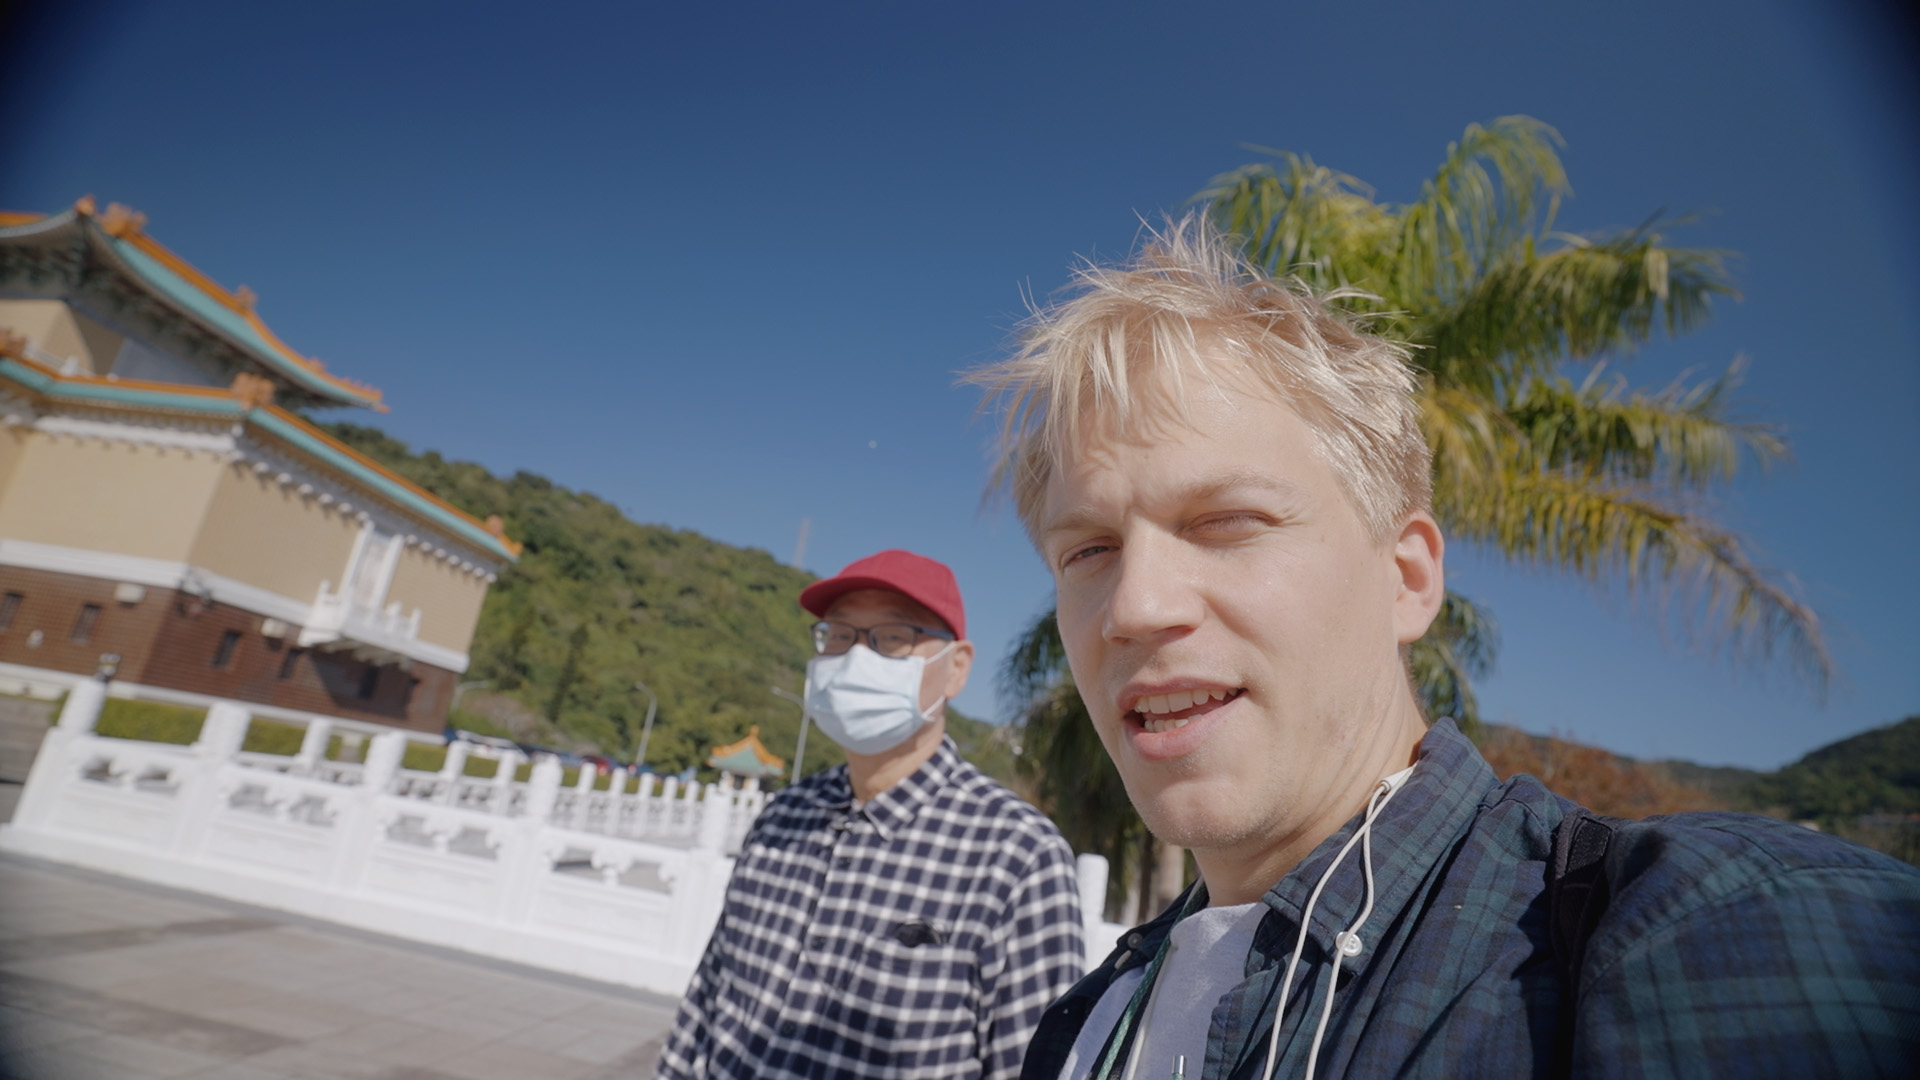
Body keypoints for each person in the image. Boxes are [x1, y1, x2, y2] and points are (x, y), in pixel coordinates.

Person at [968, 218, 1920, 1080]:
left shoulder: (1700, 932)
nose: (1133, 607)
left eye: (1227, 521)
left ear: (1407, 578)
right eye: (1087, 551)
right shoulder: (1087, 1023)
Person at [657, 548, 1085, 1080]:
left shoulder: (1018, 856)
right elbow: (706, 1004)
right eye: (839, 635)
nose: (856, 657)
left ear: (955, 668)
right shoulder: (780, 816)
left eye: (893, 636)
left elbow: (1036, 1066)